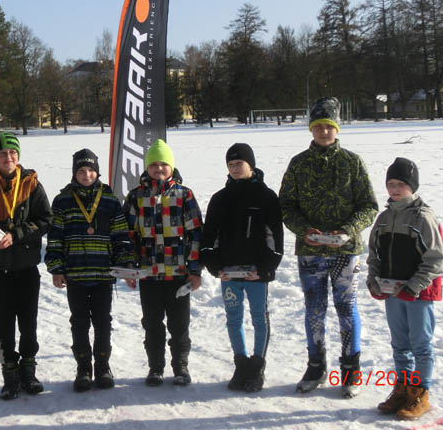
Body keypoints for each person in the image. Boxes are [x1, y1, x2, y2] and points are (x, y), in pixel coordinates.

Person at [279, 97, 378, 398]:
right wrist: (303, 230)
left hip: (345, 252)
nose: (323, 132)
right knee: (314, 310)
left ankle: (351, 370)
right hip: (310, 252)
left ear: (336, 129)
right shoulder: (298, 164)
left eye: (328, 127)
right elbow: (286, 206)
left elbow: (369, 206)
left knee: (347, 309)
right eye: (318, 127)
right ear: (311, 129)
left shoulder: (352, 162)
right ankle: (316, 366)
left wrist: (348, 231)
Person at [0, 131, 52, 400]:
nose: (8, 158)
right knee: (3, 324)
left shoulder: (32, 184)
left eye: (13, 153)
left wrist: (15, 234)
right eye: (3, 153)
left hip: (27, 266)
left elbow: (45, 220)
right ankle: (10, 374)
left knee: (28, 323)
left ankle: (29, 371)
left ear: (18, 156)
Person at [45, 149, 131, 392]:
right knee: (79, 322)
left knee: (103, 321)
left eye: (91, 170)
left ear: (98, 171)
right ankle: (83, 368)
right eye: (81, 171)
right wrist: (56, 268)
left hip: (103, 274)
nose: (86, 175)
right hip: (76, 275)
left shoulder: (110, 200)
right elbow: (55, 237)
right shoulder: (63, 200)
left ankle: (103, 366)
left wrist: (124, 262)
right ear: (74, 173)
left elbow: (121, 235)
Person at [200, 143, 284, 392]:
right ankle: (241, 364)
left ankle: (257, 366)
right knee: (233, 318)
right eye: (231, 165)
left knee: (259, 318)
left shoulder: (266, 197)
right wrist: (214, 265)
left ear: (251, 165)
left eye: (240, 164)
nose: (235, 168)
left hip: (256, 272)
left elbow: (274, 237)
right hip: (230, 272)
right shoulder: (219, 198)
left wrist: (268, 267)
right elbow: (209, 237)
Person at [366, 158, 443, 421]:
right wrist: (374, 280)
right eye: (391, 184)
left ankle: (420, 392)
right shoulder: (385, 217)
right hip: (392, 293)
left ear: (412, 186)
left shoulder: (423, 217)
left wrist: (413, 287)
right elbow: (374, 255)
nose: (395, 189)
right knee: (400, 344)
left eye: (401, 184)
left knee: (420, 345)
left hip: (418, 294)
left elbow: (434, 259)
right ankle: (403, 389)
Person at [123, 139, 203, 387]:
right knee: (152, 324)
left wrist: (195, 270)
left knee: (179, 326)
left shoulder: (183, 194)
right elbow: (129, 234)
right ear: (147, 168)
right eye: (154, 164)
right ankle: (155, 368)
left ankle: (180, 368)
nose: (159, 169)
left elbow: (195, 233)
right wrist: (130, 267)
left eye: (163, 164)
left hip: (178, 273)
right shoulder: (136, 196)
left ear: (171, 167)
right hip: (148, 274)